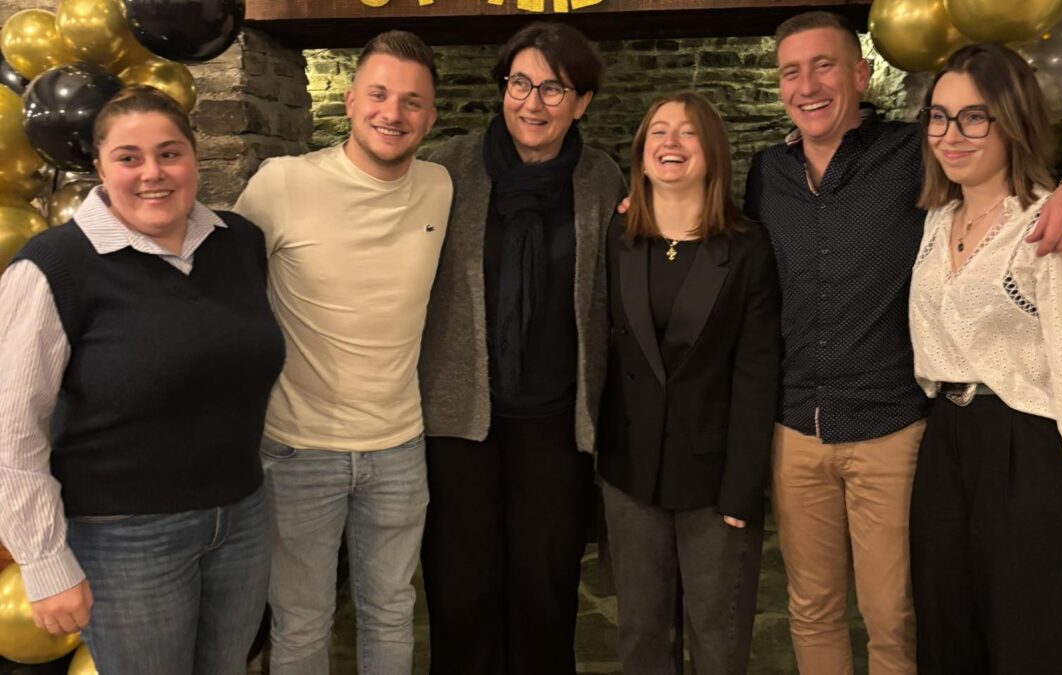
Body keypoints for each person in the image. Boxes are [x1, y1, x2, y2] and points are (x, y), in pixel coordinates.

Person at [743, 11, 1062, 675]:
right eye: (791, 70)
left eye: (825, 65)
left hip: (911, 429)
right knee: (828, 608)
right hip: (820, 427)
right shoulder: (773, 177)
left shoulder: (920, 163)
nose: (807, 84)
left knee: (904, 616)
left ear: (862, 73)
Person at [0, 85, 285, 674]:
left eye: (169, 152)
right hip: (124, 540)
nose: (152, 173)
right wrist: (45, 561)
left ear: (194, 157)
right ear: (100, 167)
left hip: (242, 519)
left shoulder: (240, 244)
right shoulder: (54, 266)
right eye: (129, 157)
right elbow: (10, 429)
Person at [232, 31, 451, 675]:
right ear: (351, 101)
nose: (394, 113)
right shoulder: (283, 184)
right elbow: (222, 286)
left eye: (413, 102)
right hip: (298, 448)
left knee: (391, 612)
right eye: (379, 94)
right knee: (301, 626)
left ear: (431, 118)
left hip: (400, 445)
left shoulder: (440, 186)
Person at [417, 21, 625, 675]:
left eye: (554, 89)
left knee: (546, 591)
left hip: (556, 424)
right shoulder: (447, 169)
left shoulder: (601, 179)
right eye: (520, 84)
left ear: (582, 102)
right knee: (461, 593)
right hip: (459, 421)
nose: (533, 103)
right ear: (502, 88)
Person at [908, 43, 1062, 675]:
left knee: (1028, 636)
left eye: (975, 117)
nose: (952, 135)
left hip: (1027, 445)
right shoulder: (936, 217)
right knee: (947, 631)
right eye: (940, 116)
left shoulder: (1049, 222)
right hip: (945, 442)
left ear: (1013, 120)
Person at [599, 91, 780, 675]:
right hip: (631, 473)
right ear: (641, 150)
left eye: (687, 133)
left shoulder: (748, 247)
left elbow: (757, 374)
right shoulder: (618, 234)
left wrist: (742, 489)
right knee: (641, 639)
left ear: (714, 151)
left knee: (717, 641)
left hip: (714, 480)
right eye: (658, 132)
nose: (670, 144)